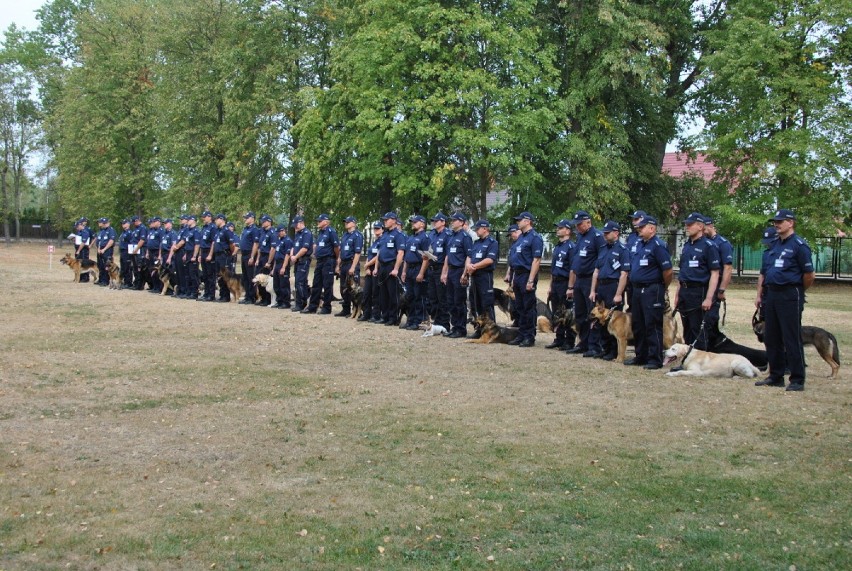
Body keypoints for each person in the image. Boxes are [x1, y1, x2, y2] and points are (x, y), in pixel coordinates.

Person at [754, 209, 814, 391]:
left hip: (789, 294)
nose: (777, 224)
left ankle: (797, 379)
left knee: (791, 337)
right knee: (771, 337)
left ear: (791, 223)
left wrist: (796, 290)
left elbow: (809, 275)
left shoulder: (799, 245)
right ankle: (776, 375)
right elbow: (765, 272)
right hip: (771, 295)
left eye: (780, 221)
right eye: (775, 222)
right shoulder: (775, 245)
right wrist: (761, 295)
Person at [624, 214, 673, 369]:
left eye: (642, 226)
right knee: (638, 324)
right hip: (637, 289)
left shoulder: (658, 246)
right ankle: (641, 355)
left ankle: (655, 358)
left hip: (652, 289)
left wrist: (662, 287)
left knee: (652, 324)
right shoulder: (640, 244)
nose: (639, 229)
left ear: (652, 228)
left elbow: (668, 271)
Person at [672, 213, 720, 353]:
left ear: (700, 226)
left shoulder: (709, 246)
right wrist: (678, 294)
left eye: (690, 224)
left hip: (699, 291)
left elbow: (715, 273)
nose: (687, 227)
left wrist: (709, 298)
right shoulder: (687, 246)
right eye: (686, 224)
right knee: (686, 326)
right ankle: (688, 357)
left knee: (697, 327)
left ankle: (699, 359)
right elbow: (683, 272)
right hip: (685, 291)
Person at [566, 210, 607, 357]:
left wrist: (595, 286)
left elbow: (601, 259)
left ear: (588, 222)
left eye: (579, 224)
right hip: (579, 279)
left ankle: (594, 346)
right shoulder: (580, 237)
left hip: (591, 279)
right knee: (580, 314)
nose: (577, 227)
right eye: (576, 225)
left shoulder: (597, 237)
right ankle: (583, 343)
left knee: (593, 314)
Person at [589, 220, 629, 360]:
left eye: (607, 233)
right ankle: (604, 349)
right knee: (601, 320)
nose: (604, 235)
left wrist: (618, 294)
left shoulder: (623, 250)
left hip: (614, 286)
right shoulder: (603, 248)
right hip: (602, 286)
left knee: (614, 321)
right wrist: (593, 290)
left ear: (616, 233)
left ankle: (614, 351)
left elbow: (624, 274)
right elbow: (596, 271)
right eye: (604, 233)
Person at [508, 211, 543, 347]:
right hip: (518, 274)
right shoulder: (521, 238)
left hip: (527, 274)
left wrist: (530, 280)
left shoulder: (535, 238)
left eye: (520, 220)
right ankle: (521, 334)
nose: (518, 222)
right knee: (519, 307)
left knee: (528, 307)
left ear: (528, 221)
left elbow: (536, 260)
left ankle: (529, 336)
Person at [441, 212, 473, 338]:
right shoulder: (451, 236)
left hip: (460, 270)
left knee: (459, 301)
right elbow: (448, 256)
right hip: (451, 271)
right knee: (450, 301)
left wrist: (465, 274)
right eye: (452, 220)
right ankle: (454, 327)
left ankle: (461, 328)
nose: (452, 222)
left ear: (461, 222)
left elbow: (468, 256)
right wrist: (445, 272)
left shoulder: (465, 237)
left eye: (455, 220)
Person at [702, 214, 734, 341]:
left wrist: (721, 289)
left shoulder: (722, 244)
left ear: (710, 226)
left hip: (716, 286)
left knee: (710, 318)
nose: (702, 232)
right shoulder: (704, 242)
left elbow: (727, 268)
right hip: (704, 285)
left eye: (704, 229)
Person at [545, 219, 575, 350]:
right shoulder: (557, 247)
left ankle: (569, 341)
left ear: (567, 230)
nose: (557, 230)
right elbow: (553, 269)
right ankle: (559, 338)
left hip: (565, 282)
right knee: (557, 312)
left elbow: (573, 269)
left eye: (560, 228)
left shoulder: (571, 247)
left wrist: (570, 287)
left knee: (566, 313)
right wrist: (551, 286)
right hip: (556, 282)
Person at [466, 219, 499, 338]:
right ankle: (479, 330)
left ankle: (491, 331)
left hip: (485, 277)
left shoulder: (492, 243)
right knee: (476, 304)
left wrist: (474, 266)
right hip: (474, 276)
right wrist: (469, 267)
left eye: (478, 228)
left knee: (486, 304)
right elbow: (470, 257)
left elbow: (489, 260)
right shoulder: (476, 243)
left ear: (485, 229)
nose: (476, 230)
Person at [398, 215, 431, 329]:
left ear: (422, 224)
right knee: (410, 296)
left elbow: (426, 258)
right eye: (412, 222)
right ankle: (411, 320)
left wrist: (421, 273)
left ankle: (419, 321)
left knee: (419, 297)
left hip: (418, 268)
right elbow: (407, 256)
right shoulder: (410, 238)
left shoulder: (425, 238)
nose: (413, 224)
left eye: (415, 222)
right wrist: (403, 271)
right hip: (409, 269)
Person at [305, 214, 339, 314]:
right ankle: (313, 306)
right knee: (316, 284)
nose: (318, 223)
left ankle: (327, 307)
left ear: (326, 222)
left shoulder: (331, 232)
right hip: (320, 261)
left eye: (320, 221)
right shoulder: (320, 233)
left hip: (328, 260)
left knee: (327, 284)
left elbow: (336, 247)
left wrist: (336, 259)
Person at [376, 212, 406, 325]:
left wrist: (396, 269)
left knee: (393, 294)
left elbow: (400, 253)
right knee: (383, 294)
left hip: (391, 266)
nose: (385, 221)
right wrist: (377, 267)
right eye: (384, 220)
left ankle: (393, 318)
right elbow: (380, 252)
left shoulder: (399, 235)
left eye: (387, 219)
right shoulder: (384, 235)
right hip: (383, 266)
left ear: (393, 220)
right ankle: (385, 316)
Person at [425, 212, 451, 330]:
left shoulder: (447, 234)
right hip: (431, 267)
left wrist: (444, 272)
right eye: (433, 221)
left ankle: (444, 323)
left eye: (436, 221)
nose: (434, 223)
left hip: (441, 267)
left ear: (443, 222)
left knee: (442, 298)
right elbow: (429, 249)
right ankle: (436, 321)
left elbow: (448, 255)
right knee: (432, 297)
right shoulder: (432, 234)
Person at [335, 216, 363, 317]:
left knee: (354, 289)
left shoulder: (357, 235)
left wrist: (353, 267)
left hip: (351, 264)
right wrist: (338, 265)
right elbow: (341, 251)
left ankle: (357, 310)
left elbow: (357, 253)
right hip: (344, 263)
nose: (346, 223)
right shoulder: (344, 235)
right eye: (345, 222)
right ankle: (345, 309)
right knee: (344, 287)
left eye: (348, 222)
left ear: (354, 223)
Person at [361, 222, 384, 322]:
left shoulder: (382, 241)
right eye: (375, 229)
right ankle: (366, 313)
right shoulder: (374, 241)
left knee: (375, 293)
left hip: (376, 269)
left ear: (383, 229)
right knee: (366, 293)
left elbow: (378, 256)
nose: (376, 231)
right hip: (369, 269)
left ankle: (376, 315)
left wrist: (368, 264)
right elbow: (369, 254)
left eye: (378, 229)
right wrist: (366, 267)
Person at [290, 216, 313, 312]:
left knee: (300, 282)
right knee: (297, 282)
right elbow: (294, 246)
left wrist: (296, 257)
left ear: (301, 223)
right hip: (297, 261)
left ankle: (303, 303)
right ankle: (298, 303)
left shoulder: (306, 233)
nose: (295, 227)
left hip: (303, 260)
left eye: (296, 225)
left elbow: (304, 248)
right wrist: (292, 255)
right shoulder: (297, 234)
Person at [213, 214, 238, 302]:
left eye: (216, 219)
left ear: (221, 219)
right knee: (219, 276)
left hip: (224, 255)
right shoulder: (218, 231)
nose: (215, 221)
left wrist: (230, 253)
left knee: (225, 276)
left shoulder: (227, 231)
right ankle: (222, 294)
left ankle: (226, 296)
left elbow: (232, 244)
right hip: (218, 256)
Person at [238, 212, 261, 304]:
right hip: (243, 254)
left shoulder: (254, 229)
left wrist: (252, 256)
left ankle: (252, 297)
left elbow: (255, 244)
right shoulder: (245, 229)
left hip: (249, 254)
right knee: (245, 277)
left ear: (252, 218)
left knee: (251, 276)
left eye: (247, 218)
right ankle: (247, 295)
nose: (245, 219)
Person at [502, 223, 522, 326]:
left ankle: (520, 321)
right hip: (513, 274)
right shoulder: (514, 244)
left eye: (511, 234)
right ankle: (516, 320)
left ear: (516, 231)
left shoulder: (521, 243)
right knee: (513, 301)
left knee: (518, 299)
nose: (511, 236)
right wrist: (508, 274)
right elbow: (511, 262)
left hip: (519, 274)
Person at [254, 215, 277, 305]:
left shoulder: (272, 233)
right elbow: (260, 247)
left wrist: (269, 262)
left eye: (264, 221)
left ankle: (268, 300)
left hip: (268, 257)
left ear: (269, 222)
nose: (262, 223)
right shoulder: (262, 232)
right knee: (259, 278)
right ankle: (262, 298)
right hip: (261, 256)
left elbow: (273, 249)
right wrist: (257, 259)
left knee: (266, 279)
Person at [272, 225, 293, 309]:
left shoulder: (288, 241)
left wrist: (284, 267)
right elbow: (276, 255)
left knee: (284, 285)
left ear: (283, 231)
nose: (278, 234)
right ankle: (279, 301)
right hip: (277, 264)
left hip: (283, 263)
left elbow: (287, 255)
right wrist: (273, 268)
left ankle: (286, 302)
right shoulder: (279, 240)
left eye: (279, 232)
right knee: (276, 285)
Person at [198, 211, 218, 301]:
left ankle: (211, 294)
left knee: (210, 275)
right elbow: (201, 242)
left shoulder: (213, 227)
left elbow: (213, 242)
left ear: (209, 217)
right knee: (205, 275)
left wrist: (210, 254)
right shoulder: (204, 227)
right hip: (203, 252)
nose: (203, 218)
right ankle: (206, 293)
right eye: (203, 217)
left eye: (205, 217)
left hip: (209, 252)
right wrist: (200, 254)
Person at [158, 218, 177, 295]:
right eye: (164, 224)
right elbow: (161, 245)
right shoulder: (164, 233)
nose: (164, 225)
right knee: (164, 273)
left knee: (170, 273)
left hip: (170, 255)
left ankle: (173, 289)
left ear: (170, 224)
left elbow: (173, 246)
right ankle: (167, 289)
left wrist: (169, 257)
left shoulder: (173, 233)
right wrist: (160, 255)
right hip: (164, 254)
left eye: (166, 223)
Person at [130, 216, 147, 290]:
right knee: (135, 268)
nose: (133, 224)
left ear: (137, 221)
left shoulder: (142, 228)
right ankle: (136, 283)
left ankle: (140, 285)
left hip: (140, 250)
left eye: (134, 222)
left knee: (140, 267)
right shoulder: (135, 229)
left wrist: (136, 249)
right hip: (134, 250)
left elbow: (142, 240)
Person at [75, 218, 93, 283]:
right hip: (79, 249)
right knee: (78, 264)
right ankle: (80, 277)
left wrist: (78, 250)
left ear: (80, 225)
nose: (76, 228)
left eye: (77, 226)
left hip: (83, 250)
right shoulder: (79, 231)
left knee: (84, 263)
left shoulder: (85, 232)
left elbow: (83, 242)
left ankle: (85, 278)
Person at [118, 219, 133, 288]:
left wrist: (130, 253)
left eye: (124, 223)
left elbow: (131, 243)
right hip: (122, 251)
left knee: (127, 267)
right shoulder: (123, 233)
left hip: (127, 251)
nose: (123, 225)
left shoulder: (129, 233)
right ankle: (124, 281)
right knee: (123, 267)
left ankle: (128, 283)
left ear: (128, 224)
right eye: (122, 224)